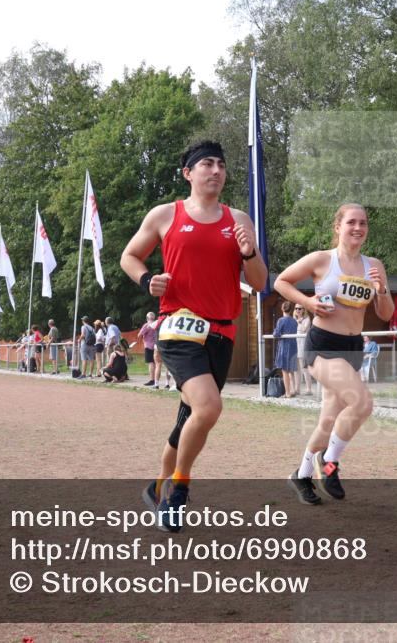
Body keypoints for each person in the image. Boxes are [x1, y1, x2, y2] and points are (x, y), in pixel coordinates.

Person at [121, 139, 268, 532]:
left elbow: (259, 282)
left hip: (222, 333)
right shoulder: (166, 214)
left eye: (221, 164)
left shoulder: (238, 219)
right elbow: (129, 256)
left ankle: (156, 486)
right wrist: (147, 279)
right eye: (207, 164)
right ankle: (178, 492)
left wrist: (250, 254)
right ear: (188, 173)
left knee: (189, 418)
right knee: (208, 408)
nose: (216, 170)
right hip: (178, 328)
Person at [274, 203, 394, 505]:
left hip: (353, 348)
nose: (358, 228)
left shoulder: (374, 265)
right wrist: (308, 303)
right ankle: (329, 464)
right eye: (351, 222)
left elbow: (386, 313)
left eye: (363, 223)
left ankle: (300, 476)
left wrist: (381, 290)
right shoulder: (321, 260)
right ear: (337, 227)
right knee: (363, 403)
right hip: (323, 345)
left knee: (328, 422)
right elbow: (280, 282)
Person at [273, 300, 299, 397]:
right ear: (291, 309)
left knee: (285, 371)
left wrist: (276, 332)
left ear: (282, 309)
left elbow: (276, 333)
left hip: (284, 347)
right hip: (293, 346)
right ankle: (293, 390)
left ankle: (287, 393)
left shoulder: (281, 320)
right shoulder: (294, 321)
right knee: (291, 370)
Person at [294, 304, 314, 395]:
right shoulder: (294, 319)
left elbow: (304, 330)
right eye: (296, 308)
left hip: (303, 345)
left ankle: (309, 389)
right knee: (296, 368)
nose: (297, 310)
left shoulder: (307, 319)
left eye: (299, 308)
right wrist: (297, 321)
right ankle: (297, 389)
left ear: (303, 310)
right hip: (295, 344)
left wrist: (299, 322)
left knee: (304, 367)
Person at [136, 311, 158, 386]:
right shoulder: (157, 324)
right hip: (156, 345)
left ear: (147, 318)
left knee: (151, 363)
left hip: (148, 346)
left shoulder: (146, 325)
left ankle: (152, 380)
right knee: (156, 363)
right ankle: (156, 380)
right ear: (154, 317)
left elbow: (139, 335)